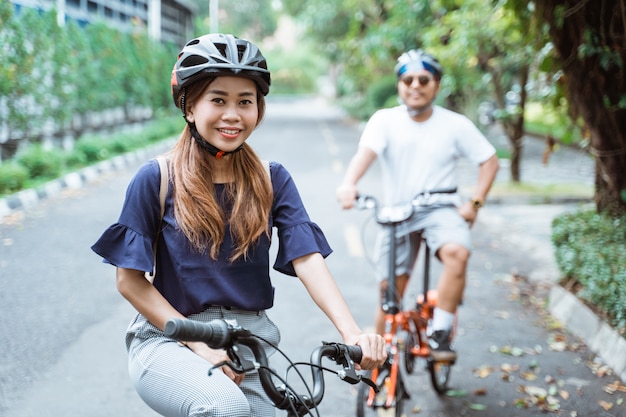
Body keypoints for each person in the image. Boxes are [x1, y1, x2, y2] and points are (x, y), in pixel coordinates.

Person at [91, 33, 386, 417]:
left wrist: (352, 332)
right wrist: (198, 344)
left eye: (245, 101)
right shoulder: (157, 178)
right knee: (224, 407)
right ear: (190, 107)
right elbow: (129, 281)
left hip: (251, 346)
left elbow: (307, 258)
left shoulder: (271, 178)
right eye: (218, 99)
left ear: (258, 110)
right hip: (170, 340)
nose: (233, 114)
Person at [336, 49, 499, 362]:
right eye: (407, 79)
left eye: (423, 79)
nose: (415, 85)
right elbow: (365, 154)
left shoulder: (455, 124)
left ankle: (441, 332)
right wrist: (349, 183)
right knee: (389, 296)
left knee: (457, 252)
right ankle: (378, 360)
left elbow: (489, 161)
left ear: (436, 85)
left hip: (441, 207)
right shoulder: (384, 120)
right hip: (397, 211)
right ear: (399, 85)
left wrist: (475, 204)